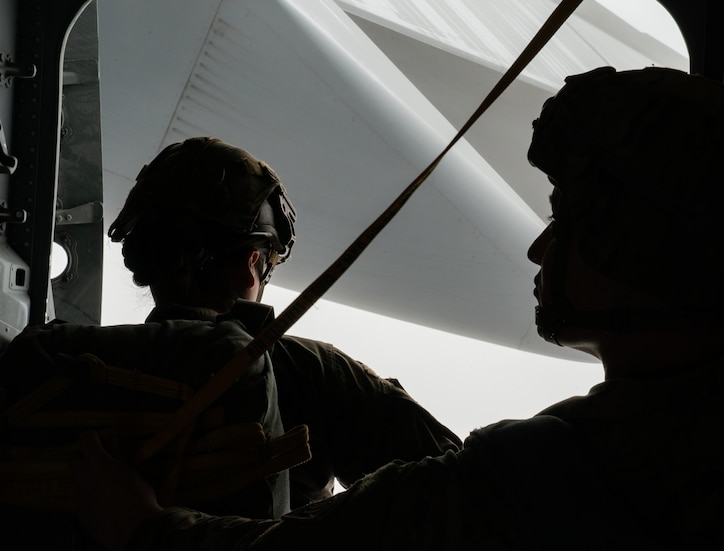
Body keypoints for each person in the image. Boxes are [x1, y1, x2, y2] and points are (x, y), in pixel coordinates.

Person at [73, 66, 724, 550]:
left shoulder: (537, 476)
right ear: (252, 259)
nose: (538, 250)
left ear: (633, 253)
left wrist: (139, 527)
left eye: (566, 220)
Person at [0, 137, 460, 547]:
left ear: (145, 261)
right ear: (250, 264)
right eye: (267, 264)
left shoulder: (62, 363)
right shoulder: (307, 370)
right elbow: (462, 493)